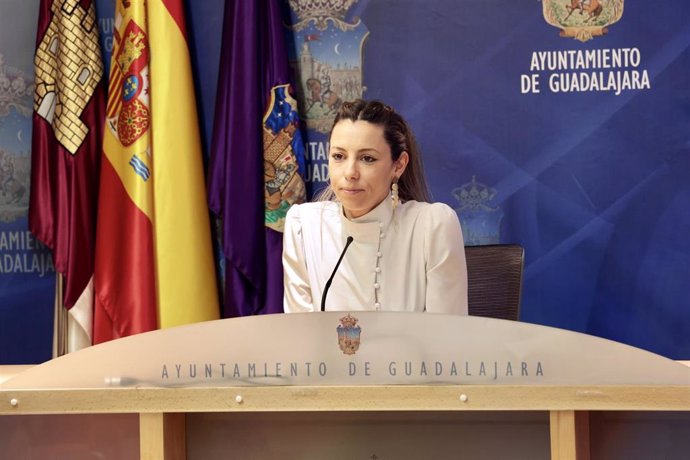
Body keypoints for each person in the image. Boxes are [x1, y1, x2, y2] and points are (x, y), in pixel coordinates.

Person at [282, 99, 468, 314]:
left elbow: (447, 337)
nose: (350, 172)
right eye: (339, 156)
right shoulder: (303, 226)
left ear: (398, 165)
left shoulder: (432, 226)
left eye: (367, 158)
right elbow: (299, 333)